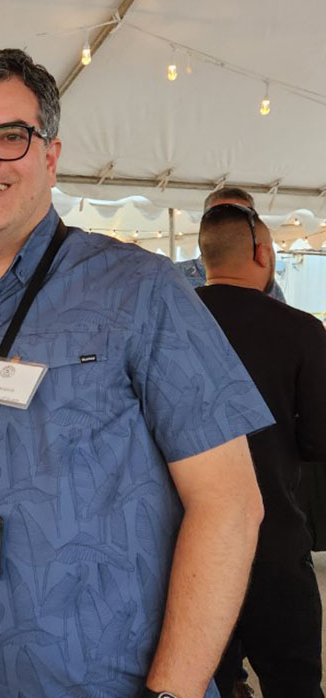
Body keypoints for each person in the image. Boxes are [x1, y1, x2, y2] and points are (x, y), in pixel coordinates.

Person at [0, 48, 271, 698]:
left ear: (50, 155)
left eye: (10, 136)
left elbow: (230, 503)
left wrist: (175, 691)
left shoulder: (140, 292)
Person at [195, 203, 326, 698]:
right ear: (262, 253)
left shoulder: (172, 324)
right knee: (294, 684)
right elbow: (318, 440)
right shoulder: (300, 330)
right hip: (272, 538)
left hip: (186, 543)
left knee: (207, 683)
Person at [174, 187, 286, 302]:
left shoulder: (270, 289)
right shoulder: (174, 277)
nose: (230, 223)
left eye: (241, 217)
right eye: (218, 216)